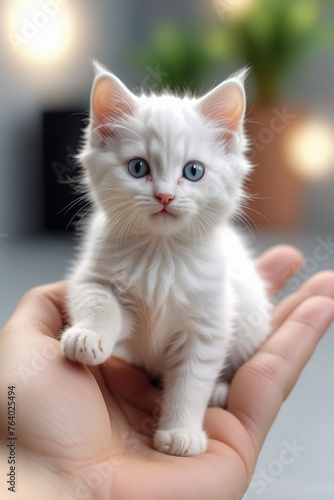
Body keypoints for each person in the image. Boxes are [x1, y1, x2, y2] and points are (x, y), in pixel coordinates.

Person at [1, 245, 334, 500]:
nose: (165, 193)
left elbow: (204, 337)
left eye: (191, 172)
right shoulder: (113, 237)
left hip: (213, 362)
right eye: (139, 168)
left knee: (220, 335)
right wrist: (99, 325)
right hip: (141, 372)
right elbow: (102, 290)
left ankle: (219, 384)